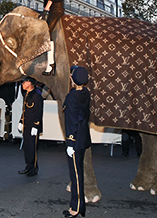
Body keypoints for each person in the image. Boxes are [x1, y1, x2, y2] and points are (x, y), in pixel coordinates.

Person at [63, 66, 91, 217]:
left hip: (75, 140)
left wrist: (70, 142)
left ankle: (77, 207)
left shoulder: (72, 96)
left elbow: (72, 121)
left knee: (76, 175)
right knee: (78, 172)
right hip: (83, 137)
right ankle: (78, 204)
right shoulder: (85, 93)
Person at [39, 0, 67, 76]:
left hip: (55, 9)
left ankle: (51, 64)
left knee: (47, 33)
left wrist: (45, 10)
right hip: (55, 9)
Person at [18, 77, 43, 177]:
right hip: (26, 125)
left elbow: (38, 112)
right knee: (27, 147)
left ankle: (34, 168)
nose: (23, 84)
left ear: (30, 83)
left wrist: (36, 125)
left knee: (32, 147)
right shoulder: (26, 94)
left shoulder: (36, 95)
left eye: (24, 82)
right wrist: (21, 121)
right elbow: (25, 110)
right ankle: (28, 167)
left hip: (33, 126)